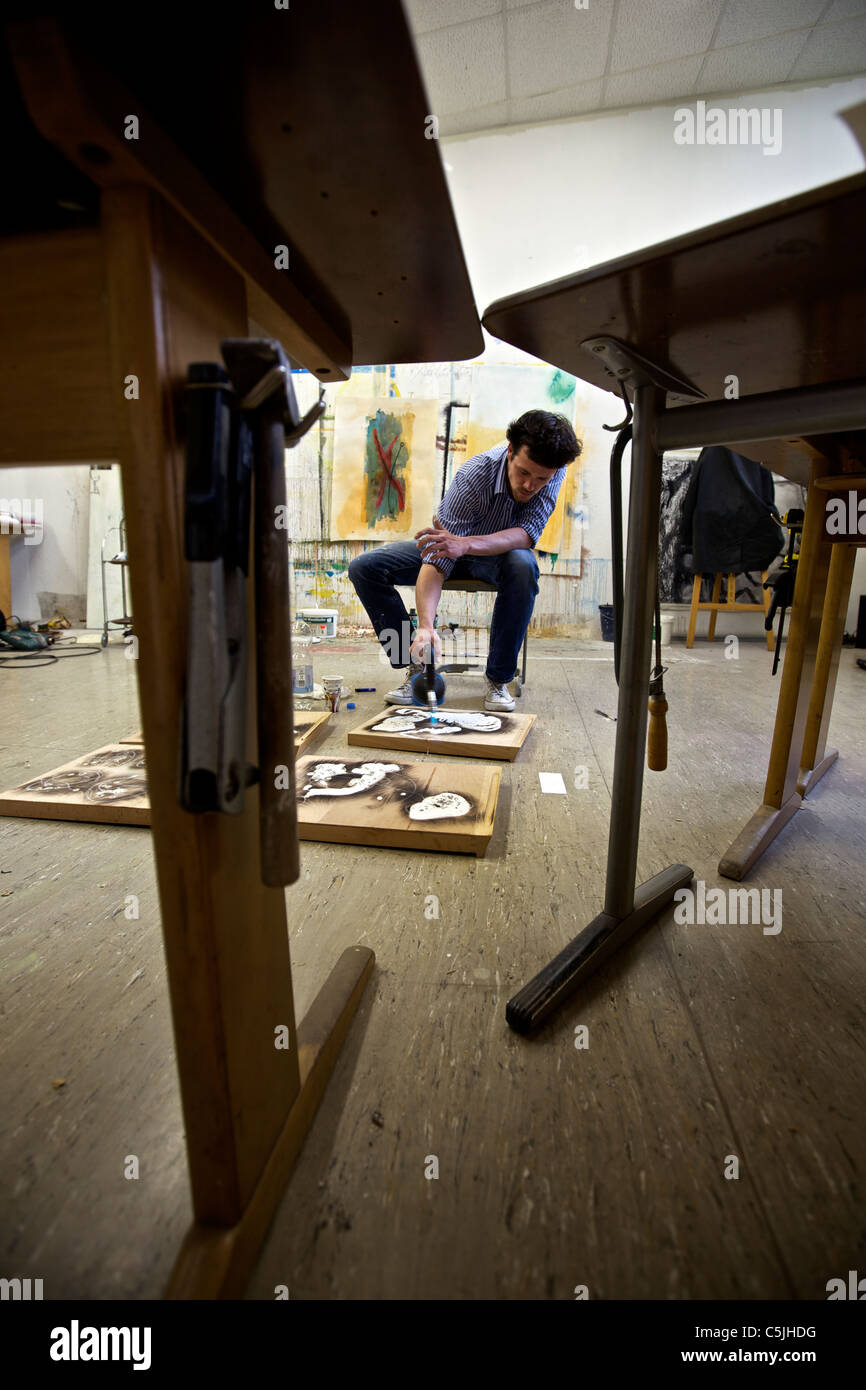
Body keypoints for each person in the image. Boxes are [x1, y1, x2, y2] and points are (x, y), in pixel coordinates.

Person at [348, 409, 580, 711]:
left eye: (541, 478)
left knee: (523, 565)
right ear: (510, 452)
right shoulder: (475, 475)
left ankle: (498, 680)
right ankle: (417, 667)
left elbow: (526, 534)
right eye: (523, 472)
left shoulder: (554, 471)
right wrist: (426, 626)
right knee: (365, 568)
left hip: (497, 559)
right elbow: (437, 557)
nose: (529, 485)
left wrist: (465, 544)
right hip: (452, 550)